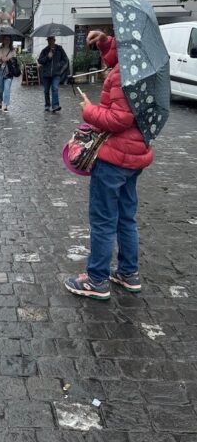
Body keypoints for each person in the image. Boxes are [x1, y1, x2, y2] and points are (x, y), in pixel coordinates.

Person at [64, 30, 153, 300]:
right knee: (126, 216)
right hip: (134, 155)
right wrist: (105, 42)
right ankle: (128, 273)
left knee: (103, 220)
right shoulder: (141, 65)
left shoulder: (127, 74)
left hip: (114, 157)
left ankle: (97, 279)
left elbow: (118, 119)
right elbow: (116, 62)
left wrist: (89, 109)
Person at [37, 35, 69, 112]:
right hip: (46, 74)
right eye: (49, 40)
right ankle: (47, 105)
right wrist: (48, 57)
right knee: (46, 91)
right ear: (47, 41)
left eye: (52, 40)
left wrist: (59, 64)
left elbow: (65, 59)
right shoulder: (45, 50)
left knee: (55, 88)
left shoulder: (59, 49)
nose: (50, 41)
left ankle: (55, 105)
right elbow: (40, 61)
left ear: (54, 40)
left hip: (56, 73)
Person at [0, 35, 16, 111]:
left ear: (10, 41)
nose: (7, 41)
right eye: (5, 39)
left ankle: (5, 104)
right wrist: (0, 59)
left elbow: (15, 62)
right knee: (0, 89)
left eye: (8, 39)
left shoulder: (12, 51)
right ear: (3, 40)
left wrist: (8, 59)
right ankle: (0, 102)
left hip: (9, 72)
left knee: (7, 88)